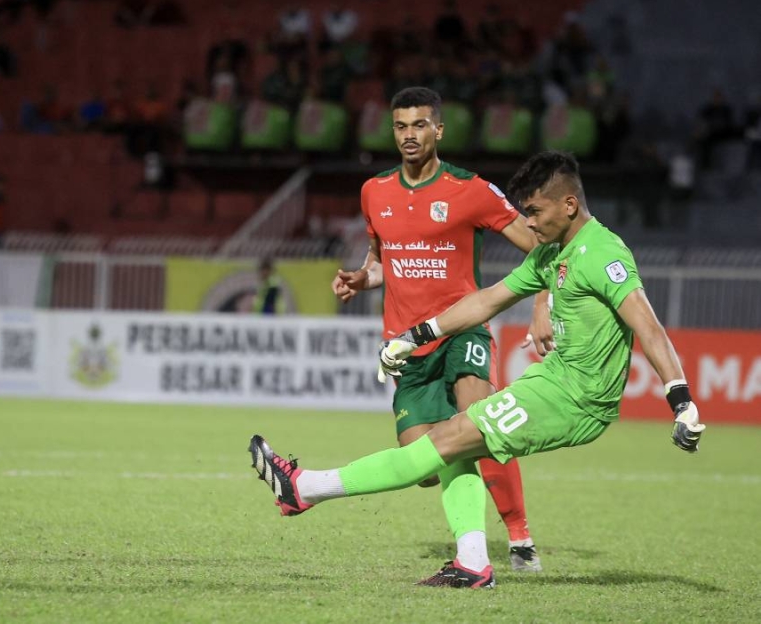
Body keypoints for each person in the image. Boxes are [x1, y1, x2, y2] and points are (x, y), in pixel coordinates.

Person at [252, 150, 706, 589]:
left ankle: (306, 487)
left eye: (534, 211)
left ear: (569, 205)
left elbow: (648, 325)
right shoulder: (550, 254)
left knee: (446, 440)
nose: (527, 222)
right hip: (551, 382)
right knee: (451, 445)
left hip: (578, 399)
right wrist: (417, 335)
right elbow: (487, 300)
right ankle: (472, 562)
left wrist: (680, 399)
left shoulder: (603, 253)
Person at [331, 86, 551, 575]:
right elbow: (385, 262)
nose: (409, 136)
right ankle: (476, 545)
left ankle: (518, 537)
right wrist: (361, 278)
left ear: (439, 129)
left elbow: (541, 247)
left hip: (461, 329)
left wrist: (541, 307)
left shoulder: (469, 189)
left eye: (419, 125)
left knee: (479, 419)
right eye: (401, 126)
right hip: (406, 346)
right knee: (425, 463)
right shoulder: (375, 191)